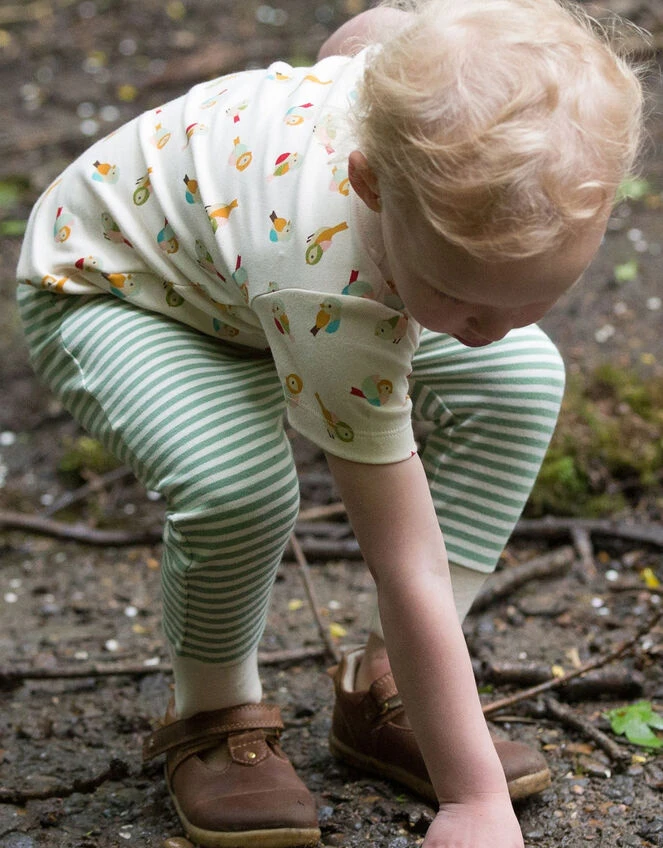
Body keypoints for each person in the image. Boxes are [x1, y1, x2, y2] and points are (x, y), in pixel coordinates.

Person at [16, 0, 644, 845]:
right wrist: (474, 800)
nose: (489, 322)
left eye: (534, 293)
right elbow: (405, 562)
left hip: (251, 278)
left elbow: (367, 34)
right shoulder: (331, 295)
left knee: (521, 375)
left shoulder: (412, 95)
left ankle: (393, 680)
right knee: (237, 487)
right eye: (459, 293)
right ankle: (213, 712)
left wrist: (451, 293)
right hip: (121, 289)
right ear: (370, 183)